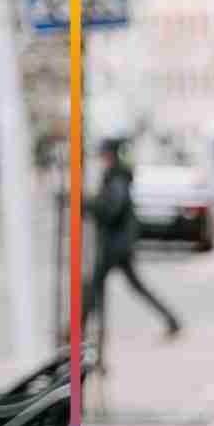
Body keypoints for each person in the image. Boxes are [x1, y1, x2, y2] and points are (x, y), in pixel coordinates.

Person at [82, 139, 183, 340]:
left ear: (109, 155)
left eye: (103, 154)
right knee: (116, 286)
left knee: (93, 285)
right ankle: (171, 320)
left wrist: (87, 204)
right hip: (118, 243)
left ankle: (78, 329)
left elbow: (111, 209)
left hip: (115, 245)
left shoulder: (117, 178)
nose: (102, 158)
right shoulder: (116, 176)